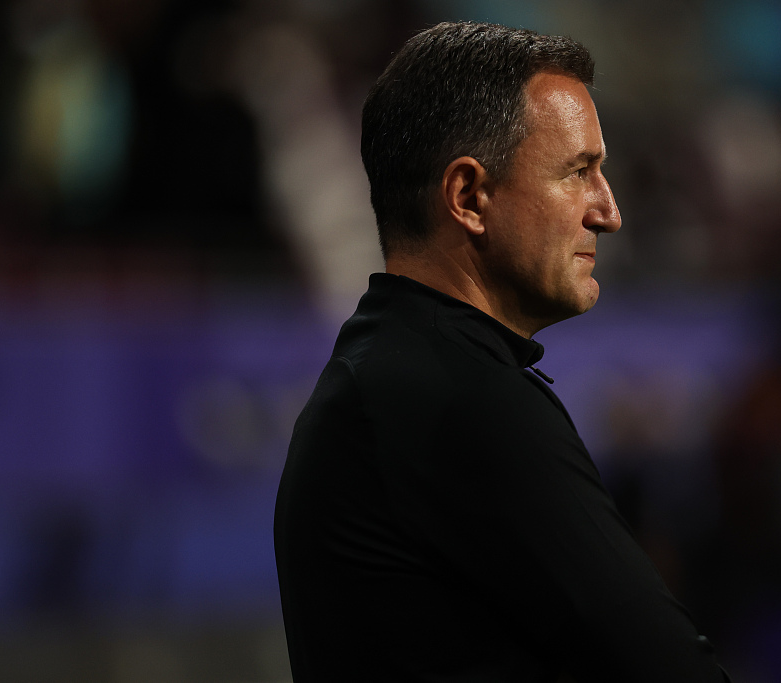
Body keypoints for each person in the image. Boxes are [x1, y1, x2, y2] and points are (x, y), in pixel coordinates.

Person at [274, 21, 731, 682]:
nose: (608, 212)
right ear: (469, 196)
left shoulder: (380, 374)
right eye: (578, 172)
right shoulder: (464, 401)